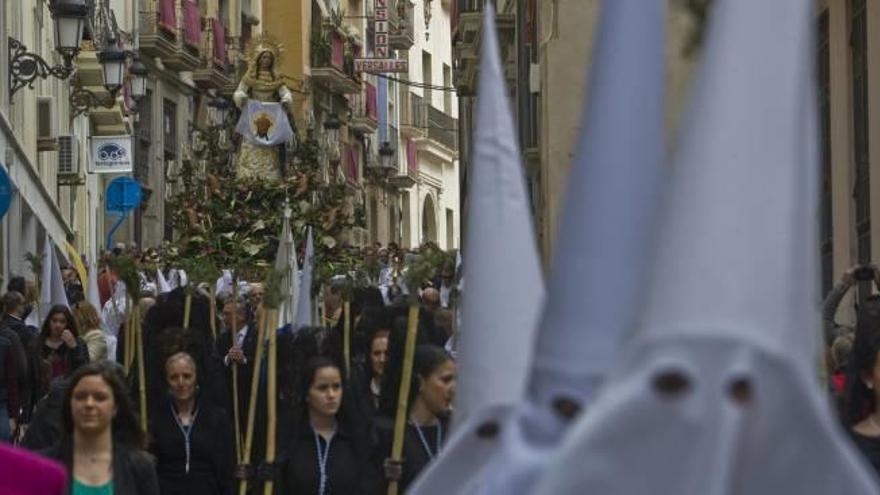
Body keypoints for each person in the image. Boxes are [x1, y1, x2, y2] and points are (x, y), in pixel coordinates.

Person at [42, 362, 159, 494]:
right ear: (70, 405)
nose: (89, 404)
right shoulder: (43, 465)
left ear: (115, 407)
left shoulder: (140, 467)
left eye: (100, 398)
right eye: (80, 397)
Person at [281, 357, 372, 494]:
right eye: (322, 388)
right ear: (307, 394)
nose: (331, 395)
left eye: (336, 387)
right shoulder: (291, 440)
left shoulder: (355, 440)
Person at [372, 345, 456, 492]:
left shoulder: (454, 430)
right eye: (445, 380)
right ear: (421, 382)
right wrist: (384, 477)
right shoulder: (391, 435)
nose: (453, 388)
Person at [150, 352, 234, 495]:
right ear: (167, 381)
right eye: (174, 377)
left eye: (187, 376)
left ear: (196, 378)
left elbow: (224, 469)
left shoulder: (216, 417)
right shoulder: (156, 418)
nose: (181, 382)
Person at [32, 305, 89, 402]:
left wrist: (74, 348)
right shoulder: (37, 344)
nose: (57, 325)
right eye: (54, 321)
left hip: (68, 397)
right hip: (42, 398)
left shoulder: (78, 343)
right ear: (49, 322)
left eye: (62, 321)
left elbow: (84, 371)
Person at [351, 329, 389, 422]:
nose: (382, 359)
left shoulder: (402, 393)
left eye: (387, 353)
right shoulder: (358, 392)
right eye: (377, 354)